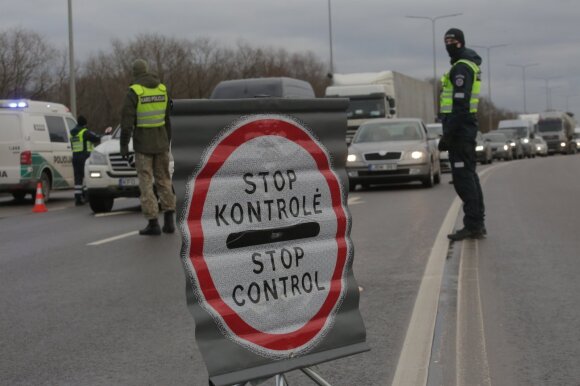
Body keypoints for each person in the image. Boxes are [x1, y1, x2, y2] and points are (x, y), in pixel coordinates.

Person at [438, 28, 486, 241]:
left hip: (460, 131)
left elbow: (460, 105)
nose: (448, 44)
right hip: (463, 129)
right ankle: (476, 224)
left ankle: (473, 224)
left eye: (452, 41)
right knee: (469, 176)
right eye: (446, 41)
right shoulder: (464, 64)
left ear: (460, 43)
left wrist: (448, 134)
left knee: (463, 179)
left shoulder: (461, 68)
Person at [120, 59, 176, 236]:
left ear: (135, 73)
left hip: (143, 146)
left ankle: (153, 223)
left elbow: (127, 122)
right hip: (161, 144)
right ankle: (169, 221)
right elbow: (167, 119)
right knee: (164, 181)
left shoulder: (134, 92)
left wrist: (124, 147)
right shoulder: (162, 89)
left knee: (146, 183)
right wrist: (167, 141)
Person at [70, 115, 111, 206]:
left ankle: (78, 198)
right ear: (85, 124)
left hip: (75, 156)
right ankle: (86, 196)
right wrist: (106, 134)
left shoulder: (72, 132)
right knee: (86, 177)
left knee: (78, 178)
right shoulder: (85, 132)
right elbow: (96, 137)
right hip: (84, 156)